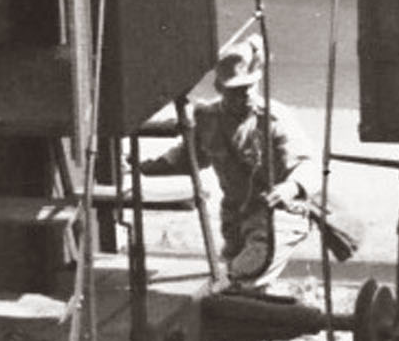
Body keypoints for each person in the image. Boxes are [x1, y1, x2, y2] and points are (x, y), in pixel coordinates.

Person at [136, 31, 324, 291]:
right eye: (235, 90)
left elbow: (307, 165)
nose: (244, 95)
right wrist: (145, 167)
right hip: (235, 216)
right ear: (221, 89)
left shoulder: (274, 119)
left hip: (278, 214)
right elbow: (189, 157)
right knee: (241, 280)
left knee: (243, 275)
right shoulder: (209, 118)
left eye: (249, 87)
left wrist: (290, 188)